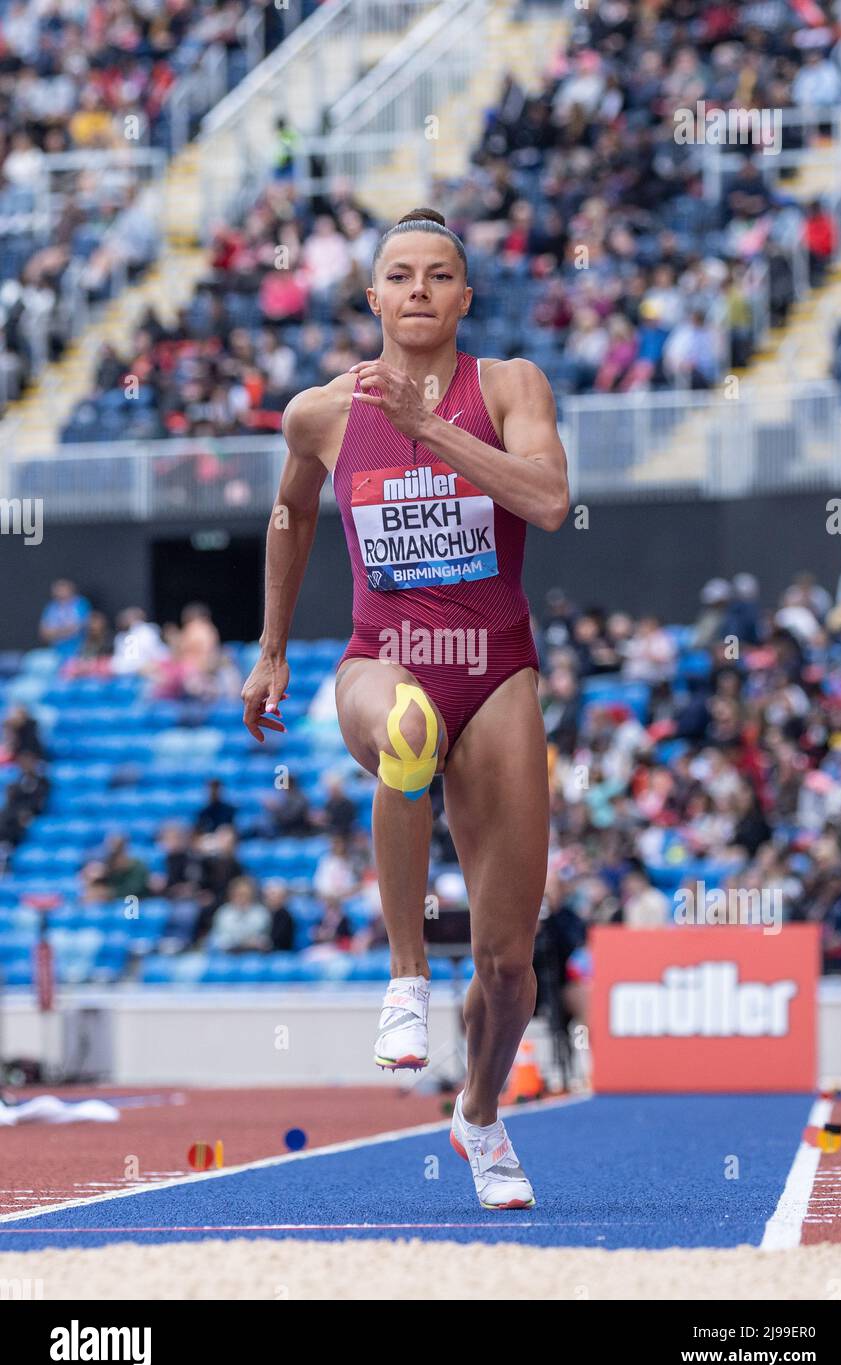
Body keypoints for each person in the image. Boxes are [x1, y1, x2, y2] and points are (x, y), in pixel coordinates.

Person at [242, 207, 569, 1211]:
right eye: (399, 274)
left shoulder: (507, 384)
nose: (418, 289)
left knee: (511, 969)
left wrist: (431, 430)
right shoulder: (322, 413)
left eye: (439, 275)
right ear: (372, 295)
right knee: (406, 729)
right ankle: (403, 974)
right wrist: (267, 647)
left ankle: (476, 1112)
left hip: (496, 665)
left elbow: (549, 502)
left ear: (464, 297)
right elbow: (291, 513)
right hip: (381, 659)